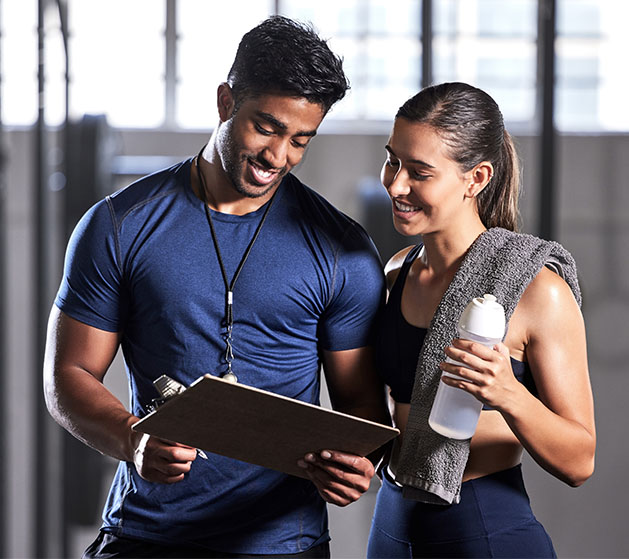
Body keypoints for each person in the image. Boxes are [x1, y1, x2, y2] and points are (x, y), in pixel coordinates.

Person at [43, 16, 391, 558]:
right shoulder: (119, 225)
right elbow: (68, 376)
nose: (279, 157)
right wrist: (134, 440)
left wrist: (353, 464)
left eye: (301, 140)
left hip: (282, 545)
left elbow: (362, 414)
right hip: (145, 536)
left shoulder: (342, 250)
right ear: (227, 101)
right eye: (267, 128)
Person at [367, 82, 596, 558]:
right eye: (393, 161)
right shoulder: (397, 272)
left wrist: (508, 393)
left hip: (483, 528)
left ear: (476, 178)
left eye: (419, 171)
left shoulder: (537, 290)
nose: (395, 184)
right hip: (391, 522)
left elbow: (580, 460)